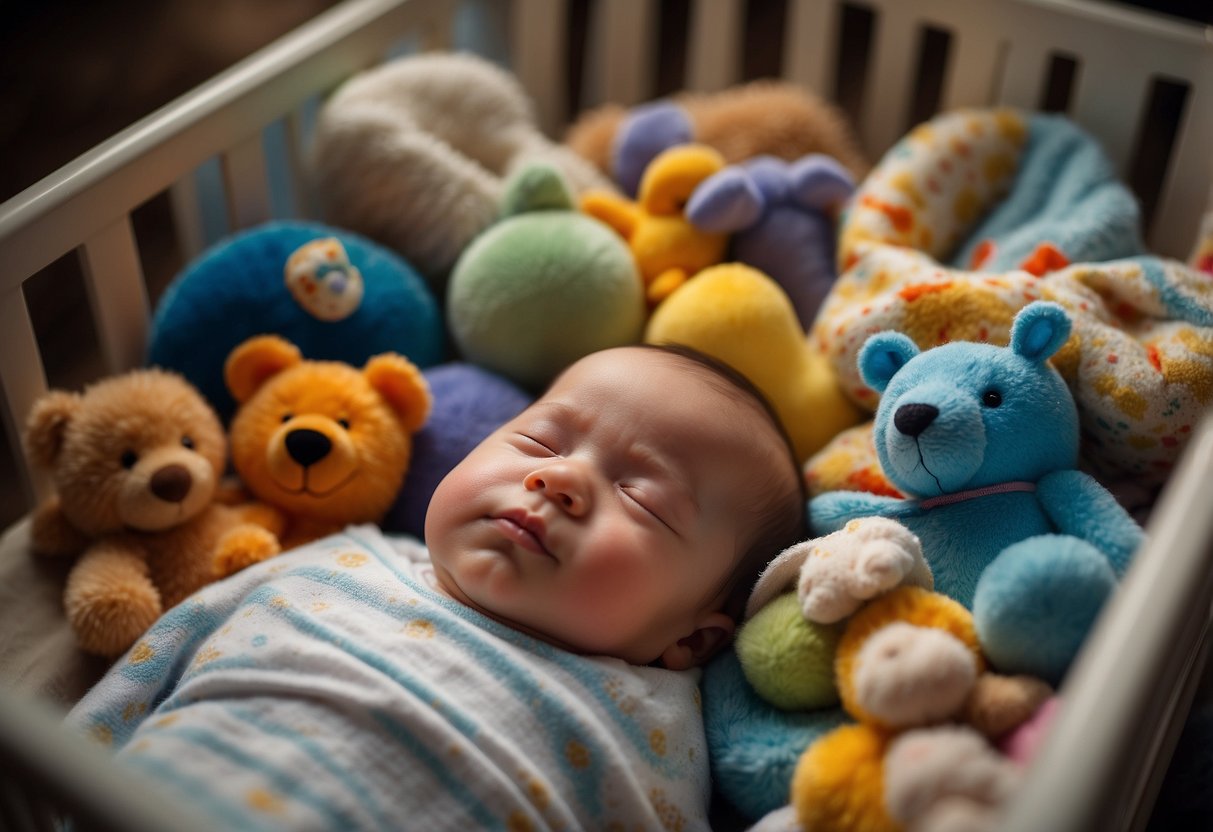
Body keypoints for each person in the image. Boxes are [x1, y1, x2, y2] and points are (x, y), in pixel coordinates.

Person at [66, 344, 806, 831]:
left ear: (692, 638)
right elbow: (159, 659)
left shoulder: (658, 726)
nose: (561, 479)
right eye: (539, 441)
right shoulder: (338, 558)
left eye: (643, 500)